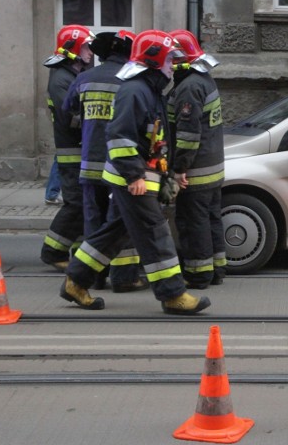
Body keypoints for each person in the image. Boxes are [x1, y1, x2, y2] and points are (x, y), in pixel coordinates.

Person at [60, 29, 210, 315]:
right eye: (168, 60)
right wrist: (134, 177)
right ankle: (173, 294)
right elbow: (118, 136)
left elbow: (152, 139)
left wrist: (165, 175)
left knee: (113, 234)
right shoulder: (135, 90)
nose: (172, 66)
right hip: (131, 179)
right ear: (153, 61)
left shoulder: (147, 89)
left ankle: (75, 281)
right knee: (155, 233)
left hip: (140, 177)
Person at [62, 30, 146, 292]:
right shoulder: (132, 82)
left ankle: (94, 278)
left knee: (94, 224)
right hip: (119, 167)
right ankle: (124, 277)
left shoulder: (83, 78)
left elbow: (69, 111)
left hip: (90, 164)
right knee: (121, 223)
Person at [167, 29, 227, 289]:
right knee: (211, 218)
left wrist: (180, 168)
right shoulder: (205, 80)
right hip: (213, 166)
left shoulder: (189, 87)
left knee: (194, 223)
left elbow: (188, 135)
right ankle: (216, 269)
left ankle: (198, 274)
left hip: (197, 170)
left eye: (170, 60)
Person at [40, 25, 94, 272]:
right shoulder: (61, 79)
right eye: (85, 46)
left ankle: (79, 252)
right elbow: (71, 116)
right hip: (71, 151)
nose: (90, 52)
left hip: (80, 150)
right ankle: (52, 251)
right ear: (72, 49)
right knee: (76, 204)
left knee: (85, 204)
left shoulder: (74, 74)